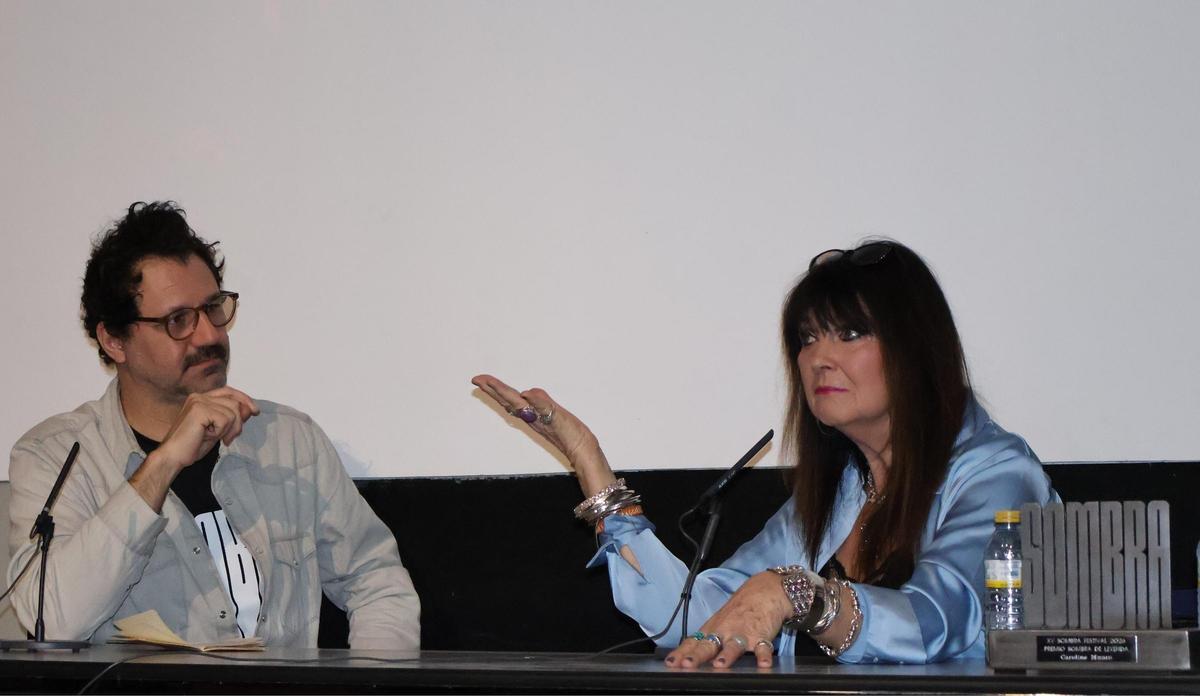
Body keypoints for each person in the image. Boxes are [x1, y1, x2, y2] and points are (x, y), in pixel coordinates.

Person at [473, 240, 1056, 666]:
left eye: (849, 334)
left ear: (916, 348)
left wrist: (798, 594)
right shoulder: (846, 488)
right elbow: (697, 618)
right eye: (807, 338)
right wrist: (590, 463)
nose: (818, 358)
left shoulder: (998, 475)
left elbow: (936, 624)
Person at [6, 202, 420, 649]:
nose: (209, 336)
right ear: (114, 339)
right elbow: (52, 621)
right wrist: (163, 463)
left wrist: (371, 682)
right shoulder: (56, 457)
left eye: (213, 308)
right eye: (178, 320)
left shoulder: (288, 439)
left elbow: (375, 579)